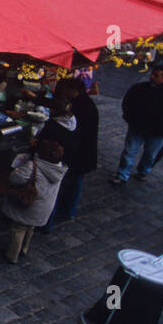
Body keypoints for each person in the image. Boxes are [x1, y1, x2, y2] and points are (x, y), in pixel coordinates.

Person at [1, 140, 67, 264]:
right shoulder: (59, 168)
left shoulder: (32, 166)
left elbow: (15, 179)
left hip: (28, 205)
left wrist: (16, 170)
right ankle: (23, 249)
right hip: (43, 207)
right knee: (30, 228)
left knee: (18, 229)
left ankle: (12, 255)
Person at [111, 62, 163, 184]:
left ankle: (144, 171)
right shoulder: (140, 88)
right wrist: (130, 118)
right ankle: (122, 174)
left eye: (156, 75)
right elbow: (128, 102)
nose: (152, 77)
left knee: (150, 155)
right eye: (153, 74)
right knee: (129, 151)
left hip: (158, 131)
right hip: (138, 126)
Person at [53, 78, 98, 220]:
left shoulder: (81, 106)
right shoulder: (83, 103)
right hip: (81, 151)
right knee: (73, 182)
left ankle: (66, 211)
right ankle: (66, 210)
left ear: (74, 91)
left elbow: (74, 130)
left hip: (80, 153)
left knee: (72, 183)